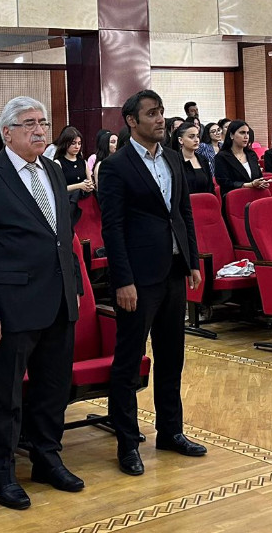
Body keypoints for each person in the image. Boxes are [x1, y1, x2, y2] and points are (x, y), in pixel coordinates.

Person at [0, 97, 84, 508]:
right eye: (29, 123)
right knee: (7, 398)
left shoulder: (51, 168)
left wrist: (76, 290)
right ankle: (2, 475)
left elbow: (60, 239)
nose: (40, 131)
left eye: (44, 123)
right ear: (7, 132)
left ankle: (47, 459)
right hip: (11, 308)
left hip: (59, 301)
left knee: (53, 391)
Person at [99, 90, 206, 477]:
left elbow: (183, 213)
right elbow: (112, 228)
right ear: (131, 121)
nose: (160, 119)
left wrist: (192, 261)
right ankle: (127, 443)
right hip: (138, 279)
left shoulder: (174, 159)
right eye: (151, 114)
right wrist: (123, 280)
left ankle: (170, 432)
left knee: (171, 356)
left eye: (161, 113)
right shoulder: (116, 166)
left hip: (174, 271)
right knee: (128, 363)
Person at [213, 119, 270, 196]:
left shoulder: (251, 155)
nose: (246, 136)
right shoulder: (222, 157)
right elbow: (225, 182)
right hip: (235, 199)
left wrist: (262, 183)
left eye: (247, 133)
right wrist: (250, 185)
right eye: (242, 133)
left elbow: (259, 176)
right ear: (231, 135)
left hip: (255, 196)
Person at [53, 125, 94, 227]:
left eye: (79, 143)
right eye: (73, 143)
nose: (77, 146)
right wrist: (79, 186)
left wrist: (89, 186)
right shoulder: (58, 163)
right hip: (69, 207)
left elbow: (91, 183)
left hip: (86, 205)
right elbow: (59, 189)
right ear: (65, 143)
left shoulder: (83, 162)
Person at [171, 121, 212, 194]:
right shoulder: (175, 161)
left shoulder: (203, 159)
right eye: (191, 137)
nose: (196, 140)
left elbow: (210, 187)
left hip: (204, 202)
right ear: (181, 140)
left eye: (197, 136)